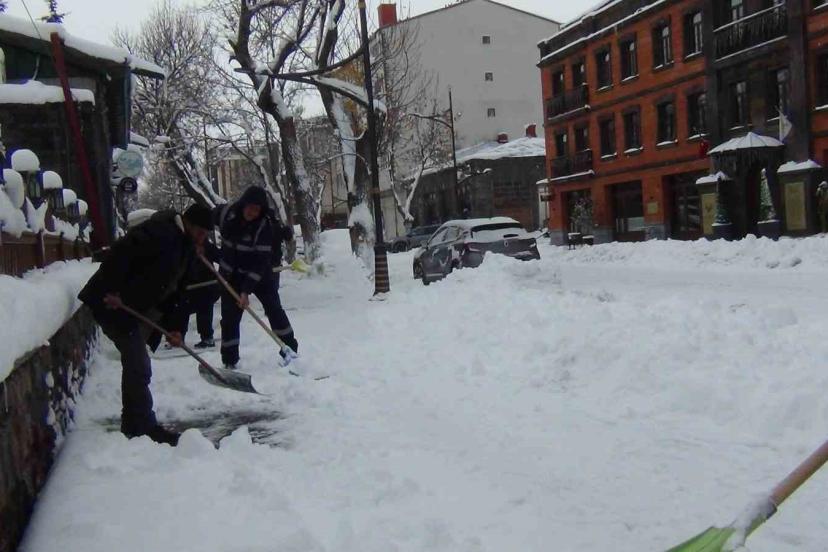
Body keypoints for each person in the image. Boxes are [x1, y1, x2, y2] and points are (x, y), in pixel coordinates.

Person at [78, 205, 214, 446]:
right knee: (138, 363)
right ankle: (143, 425)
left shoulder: (186, 247)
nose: (203, 238)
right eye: (201, 232)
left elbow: (177, 291)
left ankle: (133, 423)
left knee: (135, 364)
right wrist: (113, 290)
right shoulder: (159, 232)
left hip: (135, 308)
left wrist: (175, 328)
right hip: (112, 303)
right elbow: (120, 254)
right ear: (188, 222)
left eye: (206, 235)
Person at [214, 186, 298, 369]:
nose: (252, 212)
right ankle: (229, 361)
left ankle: (291, 350)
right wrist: (199, 243)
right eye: (250, 207)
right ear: (243, 204)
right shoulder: (226, 214)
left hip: (259, 274)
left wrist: (245, 291)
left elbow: (260, 263)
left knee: (274, 309)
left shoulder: (264, 227)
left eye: (257, 210)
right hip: (231, 275)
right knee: (229, 318)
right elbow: (203, 220)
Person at [164, 240, 221, 350]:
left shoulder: (205, 245)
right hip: (187, 286)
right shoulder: (180, 245)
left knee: (204, 309)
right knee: (181, 309)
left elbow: (220, 258)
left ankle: (207, 337)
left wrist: (225, 274)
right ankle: (178, 337)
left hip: (206, 285)